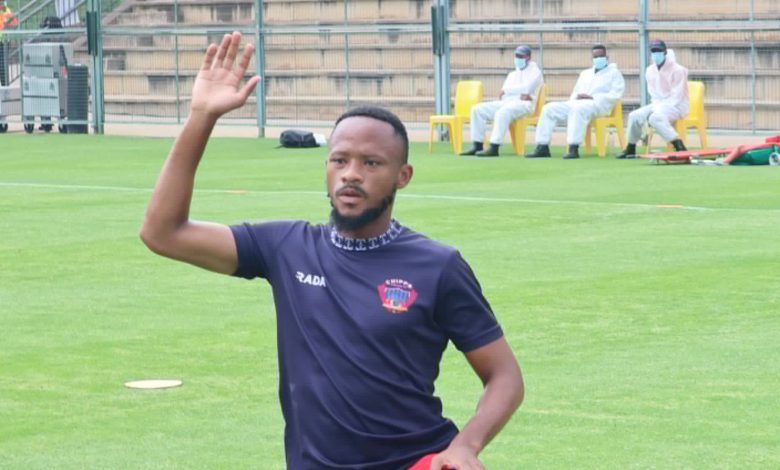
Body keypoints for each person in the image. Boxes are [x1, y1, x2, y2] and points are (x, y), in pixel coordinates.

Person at [140, 32, 524, 470]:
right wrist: (202, 116)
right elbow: (163, 232)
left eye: (371, 163)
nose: (351, 175)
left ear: (403, 176)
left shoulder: (438, 266)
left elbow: (505, 376)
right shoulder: (285, 247)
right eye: (339, 160)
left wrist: (466, 445)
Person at [525, 44, 625, 159]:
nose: (598, 59)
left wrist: (593, 98)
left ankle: (573, 147)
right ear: (592, 58)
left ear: (607, 57)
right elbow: (576, 91)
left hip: (598, 105)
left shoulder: (614, 73)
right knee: (549, 108)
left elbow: (616, 94)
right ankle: (542, 147)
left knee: (577, 110)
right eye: (595, 57)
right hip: (577, 102)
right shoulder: (585, 73)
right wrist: (576, 97)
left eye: (601, 56)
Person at [460, 44, 543, 157]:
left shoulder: (535, 72)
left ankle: (494, 146)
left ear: (528, 57)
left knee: (503, 112)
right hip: (509, 102)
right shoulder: (512, 74)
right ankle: (477, 145)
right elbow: (503, 96)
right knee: (477, 110)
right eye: (516, 55)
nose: (518, 58)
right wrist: (518, 94)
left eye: (521, 56)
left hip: (525, 105)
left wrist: (509, 91)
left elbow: (526, 89)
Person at [617, 39, 689, 159]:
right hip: (657, 104)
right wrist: (657, 107)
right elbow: (653, 93)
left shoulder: (678, 70)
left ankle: (678, 145)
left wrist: (659, 108)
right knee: (634, 116)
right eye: (653, 51)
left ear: (665, 52)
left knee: (655, 118)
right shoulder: (650, 70)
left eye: (658, 50)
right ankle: (631, 147)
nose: (656, 53)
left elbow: (677, 95)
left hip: (676, 106)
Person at [0, 0, 18, 86]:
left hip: (4, 41)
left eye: (2, 2)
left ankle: (4, 84)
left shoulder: (7, 10)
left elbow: (15, 23)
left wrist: (8, 24)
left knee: (3, 64)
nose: (1, 3)